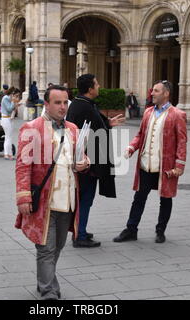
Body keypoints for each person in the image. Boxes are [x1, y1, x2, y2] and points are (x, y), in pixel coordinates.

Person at [15, 85, 89, 300]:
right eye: (58, 102)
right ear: (46, 104)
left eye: (66, 102)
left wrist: (83, 164)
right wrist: (23, 196)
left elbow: (78, 159)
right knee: (46, 248)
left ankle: (44, 281)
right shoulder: (32, 127)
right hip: (44, 200)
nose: (63, 107)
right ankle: (49, 291)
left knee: (58, 246)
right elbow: (22, 165)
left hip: (67, 200)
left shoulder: (73, 129)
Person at [113, 80, 187, 244]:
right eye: (152, 91)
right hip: (146, 164)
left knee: (165, 199)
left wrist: (179, 165)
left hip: (165, 166)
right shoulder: (147, 112)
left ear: (166, 93)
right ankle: (131, 229)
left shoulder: (177, 114)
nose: (151, 93)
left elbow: (182, 142)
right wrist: (131, 148)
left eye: (156, 91)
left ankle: (160, 231)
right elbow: (140, 134)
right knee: (139, 197)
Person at [66, 74, 125, 248]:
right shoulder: (83, 106)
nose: (99, 87)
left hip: (89, 161)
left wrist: (108, 124)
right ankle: (80, 235)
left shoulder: (84, 104)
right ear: (90, 89)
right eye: (97, 84)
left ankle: (80, 229)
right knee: (85, 198)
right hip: (87, 164)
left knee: (85, 198)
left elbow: (94, 126)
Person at [1, 87, 20, 160]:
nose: (17, 97)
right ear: (12, 94)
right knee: (8, 137)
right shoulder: (5, 98)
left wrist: (16, 104)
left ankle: (8, 154)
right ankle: (8, 154)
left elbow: (12, 109)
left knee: (9, 137)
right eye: (16, 95)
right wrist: (13, 101)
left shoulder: (9, 99)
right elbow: (9, 108)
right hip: (5, 118)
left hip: (9, 118)